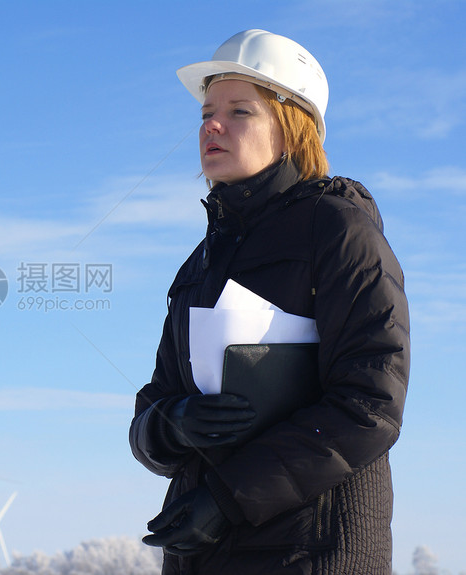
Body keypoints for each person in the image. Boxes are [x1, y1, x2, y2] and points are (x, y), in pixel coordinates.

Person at [129, 29, 410, 575]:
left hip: (309, 553)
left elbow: (369, 405)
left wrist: (227, 499)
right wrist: (173, 424)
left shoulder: (338, 231)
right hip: (202, 555)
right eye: (208, 111)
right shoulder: (199, 263)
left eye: (239, 111)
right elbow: (152, 405)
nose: (211, 124)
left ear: (292, 129)